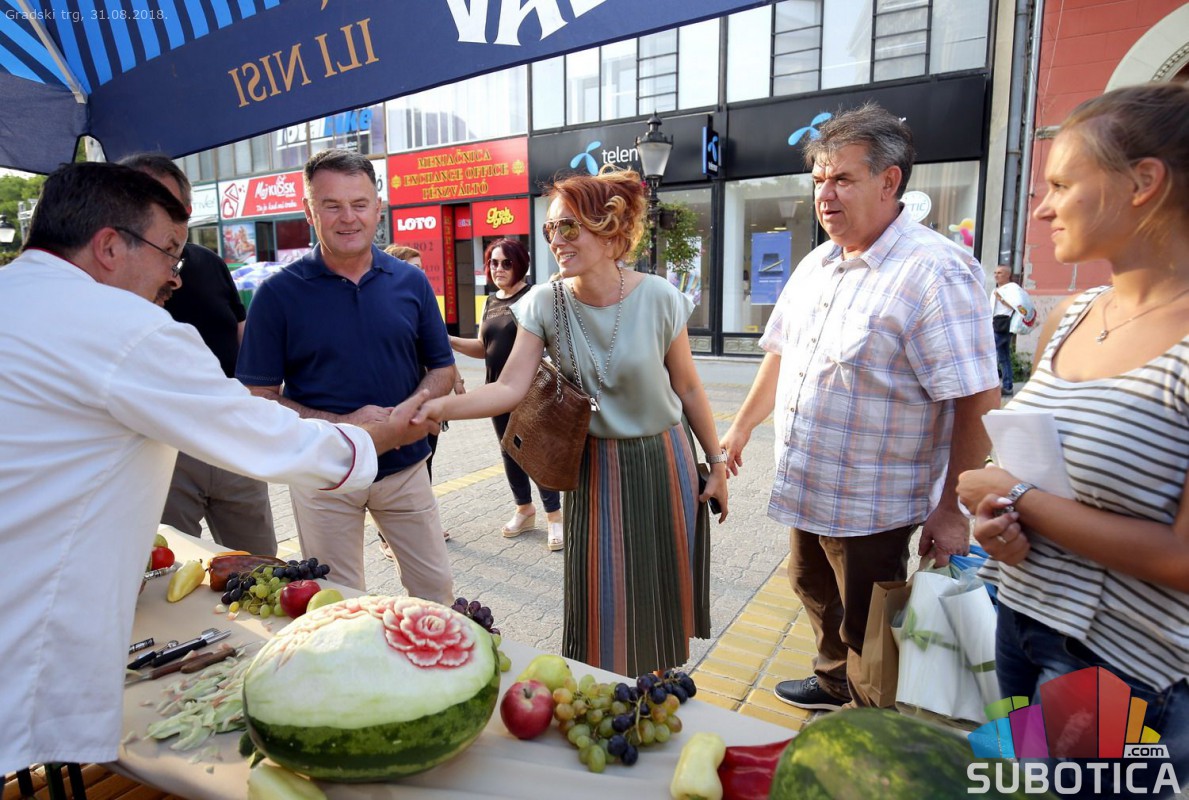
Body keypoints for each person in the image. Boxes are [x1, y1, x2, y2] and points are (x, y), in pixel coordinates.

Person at [0, 162, 434, 777]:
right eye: (168, 251)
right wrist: (374, 435)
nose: (174, 277)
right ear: (108, 246)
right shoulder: (124, 328)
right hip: (29, 642)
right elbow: (255, 429)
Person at [719, 102, 999, 712]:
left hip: (876, 503)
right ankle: (832, 682)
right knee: (809, 584)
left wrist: (952, 509)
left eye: (842, 179)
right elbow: (780, 354)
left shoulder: (936, 271)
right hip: (809, 483)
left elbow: (977, 396)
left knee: (871, 623)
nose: (825, 195)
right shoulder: (818, 264)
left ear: (889, 180)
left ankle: (871, 721)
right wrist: (738, 429)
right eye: (819, 179)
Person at [958, 83, 1188, 797]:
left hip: (1120, 667)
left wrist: (1017, 493)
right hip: (1020, 622)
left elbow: (1182, 559)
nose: (1042, 208)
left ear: (1143, 182)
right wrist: (997, 523)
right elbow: (1052, 477)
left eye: (1061, 184)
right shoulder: (1075, 314)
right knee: (1018, 785)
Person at [413, 167, 728, 676]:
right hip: (593, 465)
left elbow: (689, 388)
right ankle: (604, 686)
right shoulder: (545, 301)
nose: (556, 240)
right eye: (550, 229)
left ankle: (658, 685)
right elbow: (509, 388)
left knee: (659, 583)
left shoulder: (660, 297)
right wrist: (439, 407)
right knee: (600, 590)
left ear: (609, 229)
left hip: (664, 460)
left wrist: (717, 465)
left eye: (568, 227)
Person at [236, 149, 455, 600]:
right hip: (323, 473)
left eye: (359, 204)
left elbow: (443, 368)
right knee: (337, 602)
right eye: (332, 205)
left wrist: (410, 412)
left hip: (404, 468)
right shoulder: (277, 294)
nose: (348, 218)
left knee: (435, 592)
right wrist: (346, 426)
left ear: (379, 208)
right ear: (309, 211)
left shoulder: (411, 281)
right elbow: (258, 396)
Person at [122, 153, 277, 555]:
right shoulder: (112, 280)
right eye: (146, 201)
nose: (162, 215)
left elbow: (241, 331)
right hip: (161, 447)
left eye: (174, 207)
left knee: (262, 563)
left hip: (232, 437)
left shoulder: (208, 262)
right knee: (170, 567)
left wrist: (255, 402)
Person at [448, 238, 564, 550]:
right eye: (493, 263)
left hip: (530, 390)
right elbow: (484, 347)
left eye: (506, 263)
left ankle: (554, 515)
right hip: (496, 390)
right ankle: (524, 509)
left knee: (536, 451)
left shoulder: (533, 297)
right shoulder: (490, 301)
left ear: (520, 265)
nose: (498, 269)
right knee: (509, 450)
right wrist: (449, 340)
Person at [991, 264, 1036, 397]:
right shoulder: (996, 289)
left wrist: (1002, 299)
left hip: (1004, 324)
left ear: (1007, 275)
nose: (996, 275)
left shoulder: (1013, 289)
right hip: (996, 323)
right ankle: (1007, 386)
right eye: (995, 273)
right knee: (1004, 357)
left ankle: (992, 387)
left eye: (1000, 273)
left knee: (990, 354)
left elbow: (1020, 308)